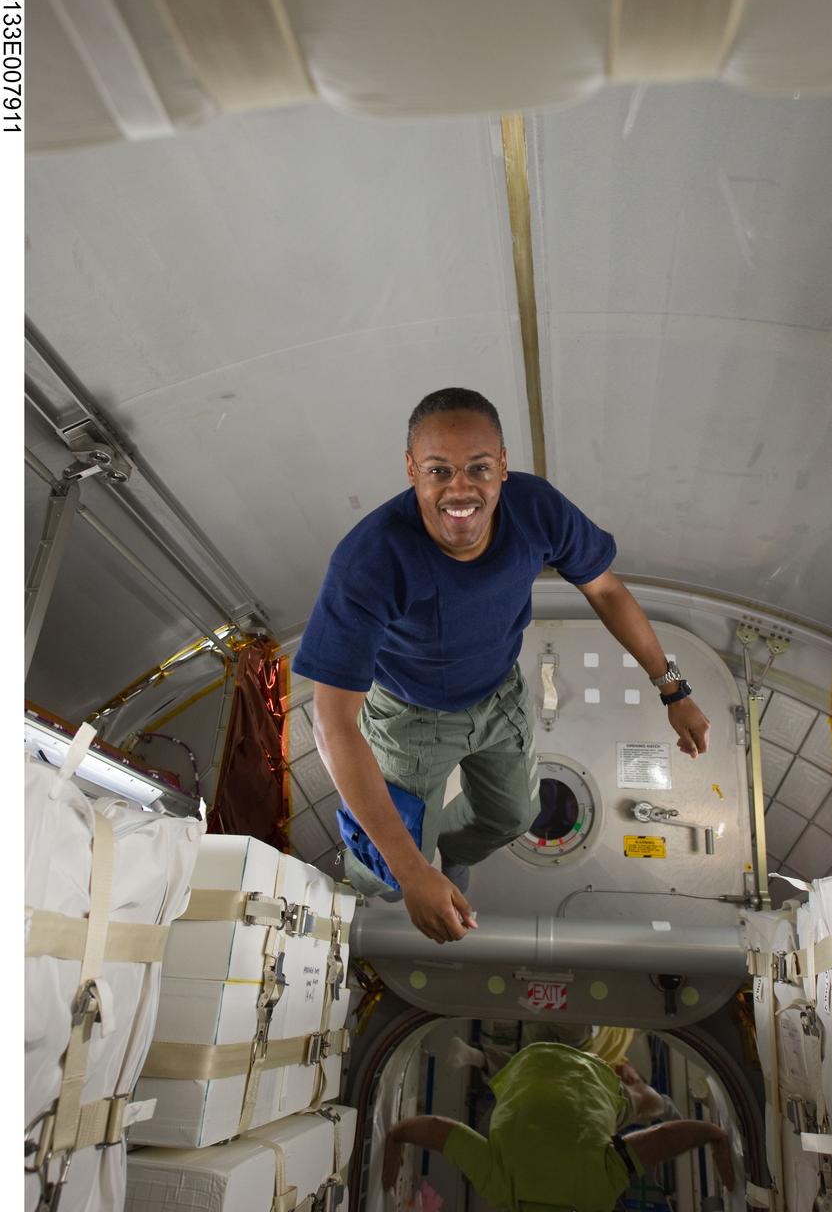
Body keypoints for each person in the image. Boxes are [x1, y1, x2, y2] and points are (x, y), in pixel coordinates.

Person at [292, 389, 710, 944]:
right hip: (407, 715)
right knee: (385, 875)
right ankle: (409, 870)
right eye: (438, 471)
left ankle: (450, 858)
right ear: (412, 470)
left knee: (513, 818)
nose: (459, 489)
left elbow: (605, 589)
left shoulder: (536, 509)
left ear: (504, 468)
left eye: (478, 469)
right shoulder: (370, 559)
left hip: (499, 695)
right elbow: (332, 721)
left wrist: (673, 690)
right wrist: (414, 874)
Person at [381, 1044, 734, 1211]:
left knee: (649, 1107)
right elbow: (442, 1130)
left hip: (593, 1075)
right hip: (529, 1063)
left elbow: (662, 1138)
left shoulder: (596, 1195)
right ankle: (481, 1058)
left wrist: (714, 1137)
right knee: (503, 1114)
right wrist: (397, 1136)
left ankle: (639, 1089)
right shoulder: (501, 1189)